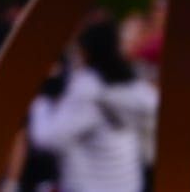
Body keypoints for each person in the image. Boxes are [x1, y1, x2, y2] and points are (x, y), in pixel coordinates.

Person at [29, 19, 158, 191]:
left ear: (87, 52)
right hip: (128, 185)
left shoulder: (88, 89)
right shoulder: (133, 87)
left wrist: (41, 102)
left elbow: (47, 138)